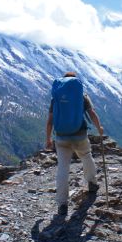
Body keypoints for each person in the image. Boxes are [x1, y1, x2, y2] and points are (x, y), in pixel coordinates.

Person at [46, 72, 104, 216]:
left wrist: (48, 138)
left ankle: (62, 203)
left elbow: (50, 120)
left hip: (61, 137)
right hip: (79, 134)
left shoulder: (56, 97)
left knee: (63, 168)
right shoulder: (82, 96)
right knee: (86, 156)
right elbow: (92, 113)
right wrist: (99, 128)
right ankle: (92, 182)